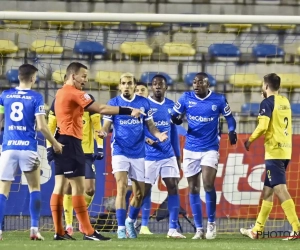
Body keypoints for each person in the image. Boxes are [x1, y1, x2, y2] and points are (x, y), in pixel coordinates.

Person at [49, 62, 145, 241]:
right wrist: (128, 110)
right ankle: (88, 231)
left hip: (61, 141)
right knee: (78, 188)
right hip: (71, 143)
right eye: (83, 76)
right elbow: (101, 109)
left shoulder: (60, 92)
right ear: (73, 76)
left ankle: (59, 231)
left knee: (59, 187)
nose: (86, 80)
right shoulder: (75, 93)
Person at [99, 72, 168, 239]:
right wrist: (103, 132)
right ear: (119, 86)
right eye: (124, 83)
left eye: (130, 83)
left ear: (134, 85)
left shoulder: (143, 103)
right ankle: (121, 228)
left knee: (140, 194)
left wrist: (157, 135)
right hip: (120, 151)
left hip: (138, 153)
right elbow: (107, 125)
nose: (127, 86)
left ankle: (130, 221)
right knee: (121, 187)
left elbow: (150, 125)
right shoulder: (114, 103)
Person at [170, 72, 237, 240]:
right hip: (191, 149)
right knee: (193, 188)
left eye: (200, 82)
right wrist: (176, 120)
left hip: (210, 148)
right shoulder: (185, 98)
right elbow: (173, 116)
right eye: (194, 82)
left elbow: (230, 118)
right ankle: (199, 229)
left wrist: (231, 130)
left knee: (208, 184)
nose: (196, 84)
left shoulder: (219, 99)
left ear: (208, 85)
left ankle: (212, 224)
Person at [0, 64, 63, 241]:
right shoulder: (36, 97)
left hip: (9, 148)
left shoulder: (4, 96)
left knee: (3, 190)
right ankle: (34, 229)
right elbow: (42, 126)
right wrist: (55, 143)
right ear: (33, 78)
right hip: (28, 148)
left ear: (18, 77)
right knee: (34, 188)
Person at [240, 73, 300, 240]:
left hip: (274, 151)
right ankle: (257, 230)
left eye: (262, 85)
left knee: (280, 189)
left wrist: (250, 140)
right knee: (268, 191)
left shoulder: (267, 102)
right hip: (286, 150)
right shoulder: (285, 101)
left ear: (266, 86)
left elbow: (263, 126)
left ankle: (296, 228)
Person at [47, 92, 103, 235]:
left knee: (89, 189)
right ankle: (69, 224)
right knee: (66, 188)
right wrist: (49, 147)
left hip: (86, 152)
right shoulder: (59, 99)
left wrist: (100, 146)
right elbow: (50, 126)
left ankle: (79, 215)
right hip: (66, 149)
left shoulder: (87, 99)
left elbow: (97, 124)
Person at [142, 74, 185, 238]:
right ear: (151, 87)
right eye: (154, 84)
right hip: (149, 155)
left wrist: (178, 155)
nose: (158, 86)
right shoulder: (145, 104)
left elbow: (173, 133)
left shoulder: (172, 106)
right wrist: (147, 141)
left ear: (166, 87)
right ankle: (136, 223)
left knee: (173, 187)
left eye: (161, 84)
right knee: (144, 191)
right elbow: (139, 129)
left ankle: (172, 229)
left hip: (168, 154)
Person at [125, 80, 153, 234]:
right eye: (137, 90)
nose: (140, 92)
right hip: (131, 154)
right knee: (126, 189)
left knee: (143, 190)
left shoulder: (149, 109)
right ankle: (124, 223)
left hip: (148, 155)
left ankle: (142, 225)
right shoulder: (127, 108)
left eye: (143, 89)